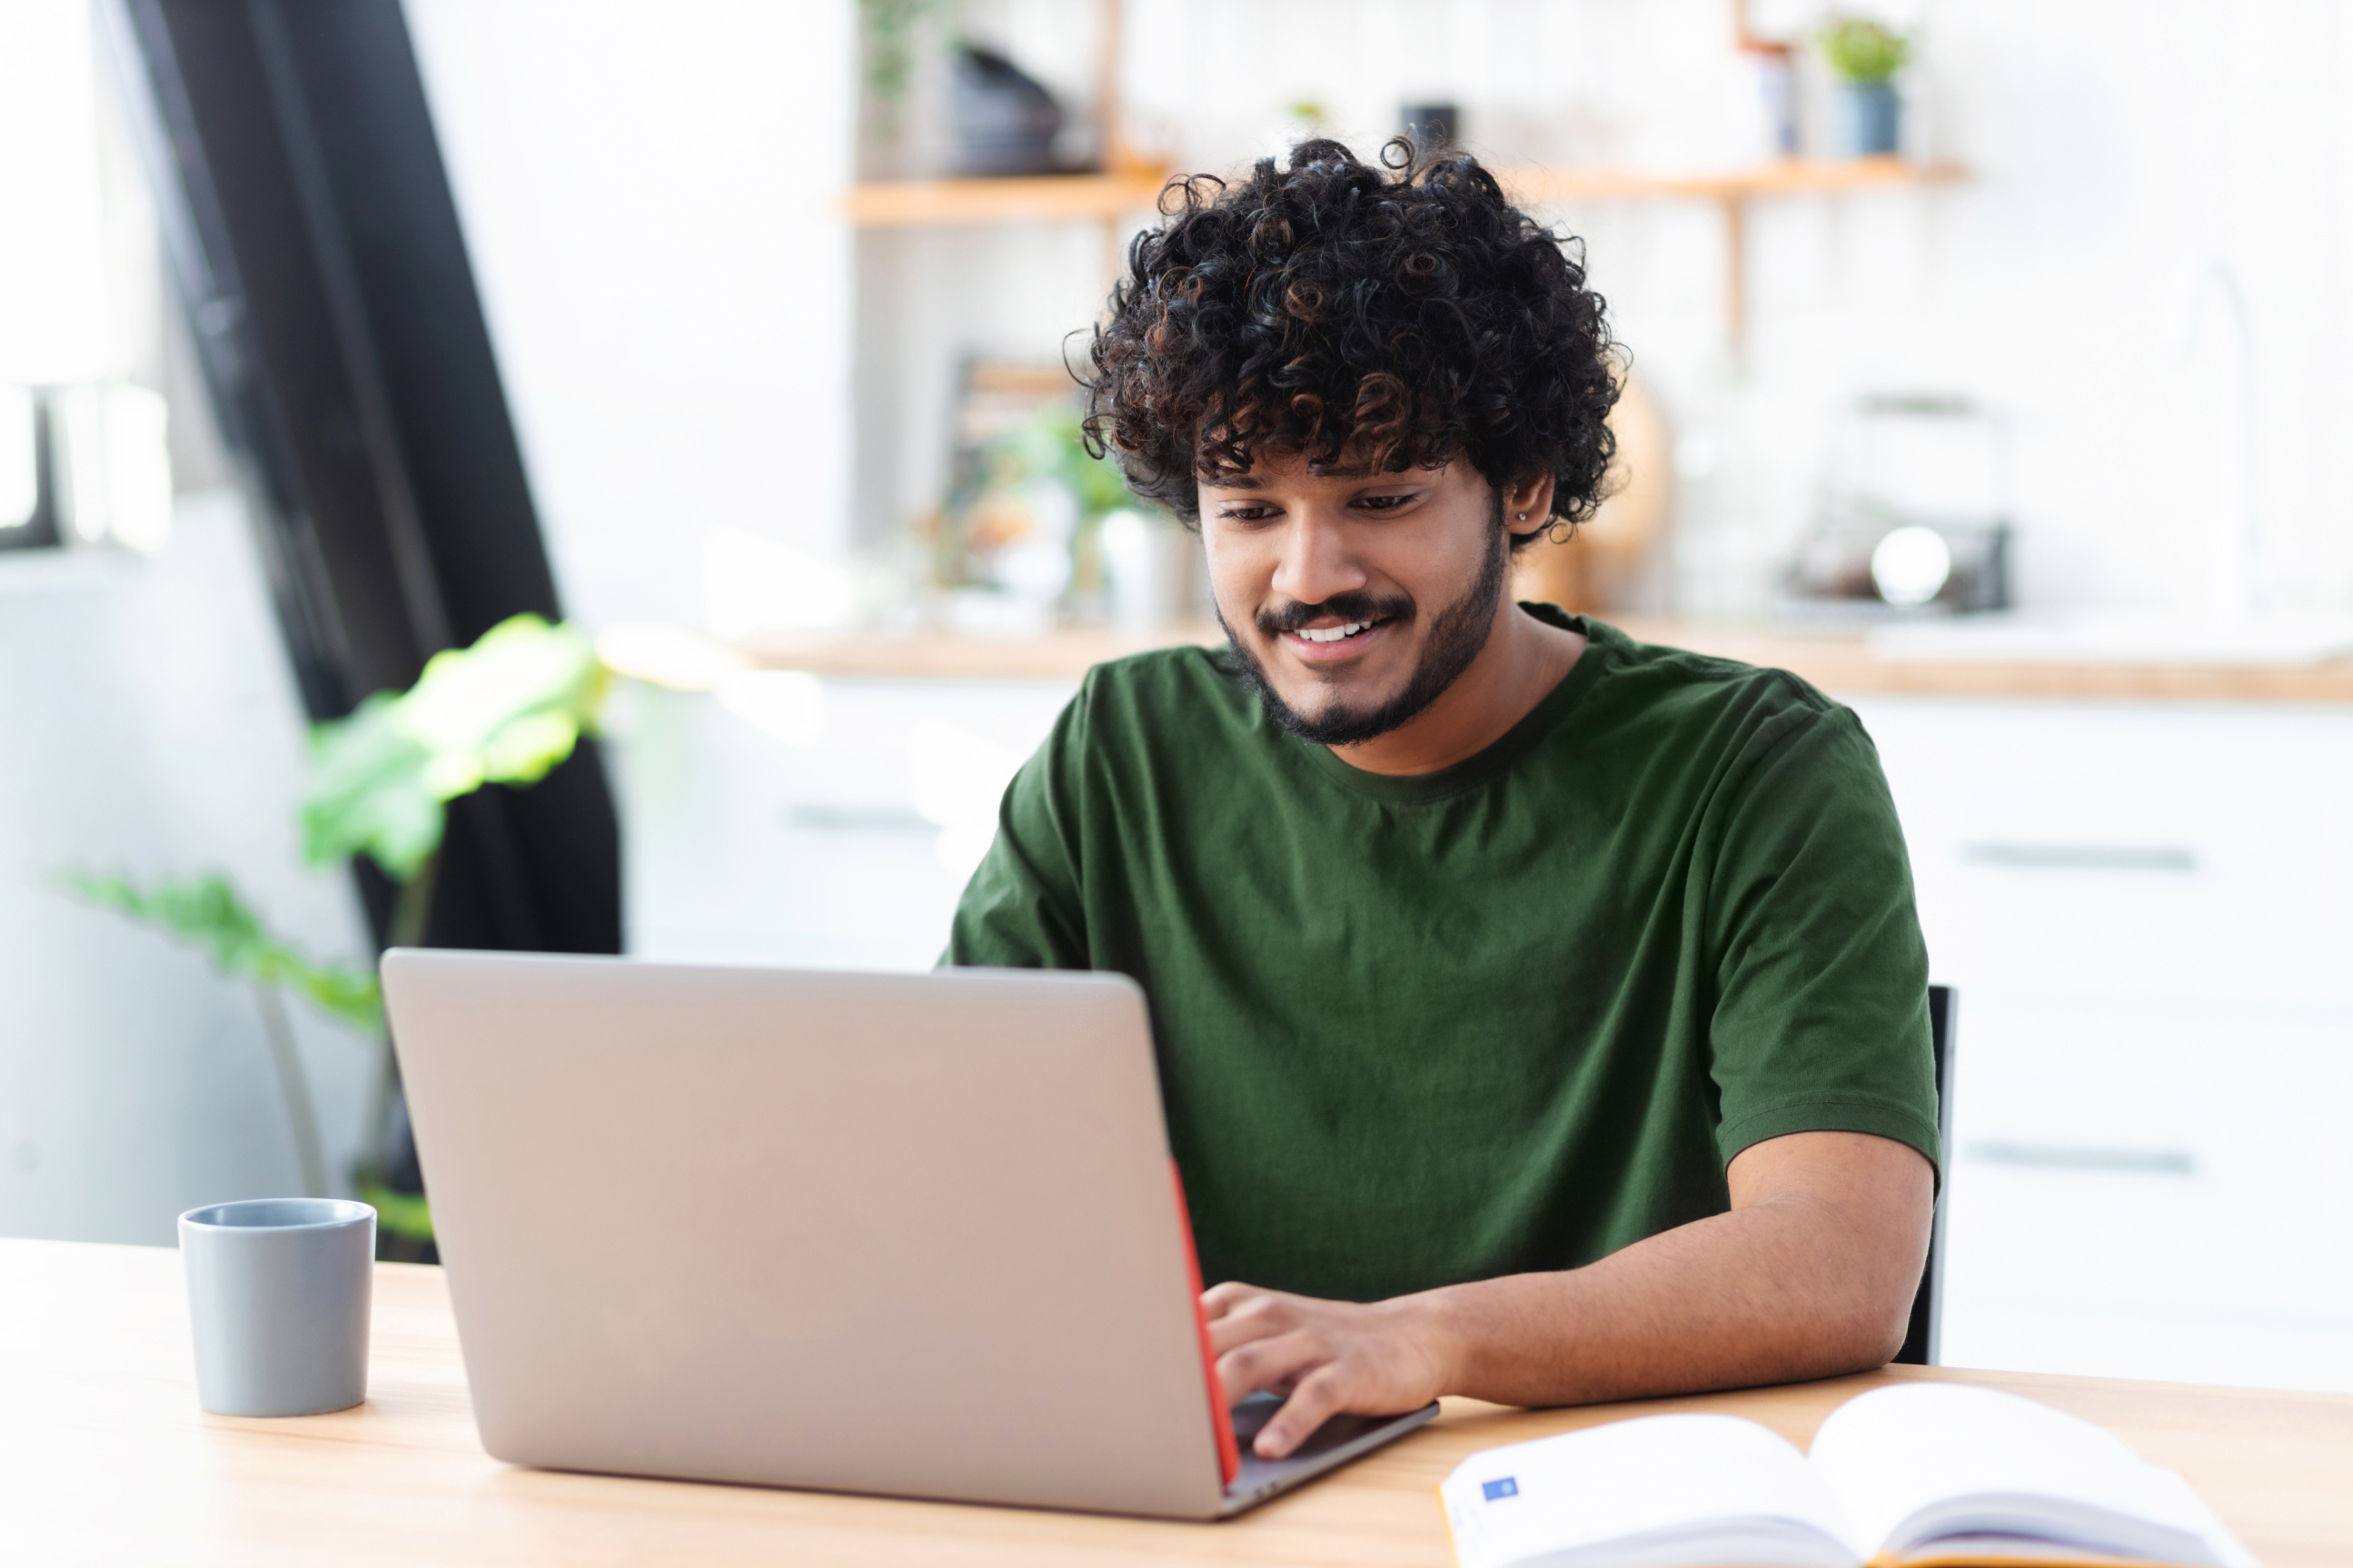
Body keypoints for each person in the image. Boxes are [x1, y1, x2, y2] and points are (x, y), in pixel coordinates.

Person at [946, 139, 1938, 1461]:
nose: (1307, 575)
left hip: (1607, 1498)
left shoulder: (1756, 770)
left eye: (1382, 498)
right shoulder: (1118, 754)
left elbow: (1835, 1264)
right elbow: (943, 1180)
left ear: (1522, 486)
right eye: (1247, 510)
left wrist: (1421, 1340)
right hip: (1230, 1495)